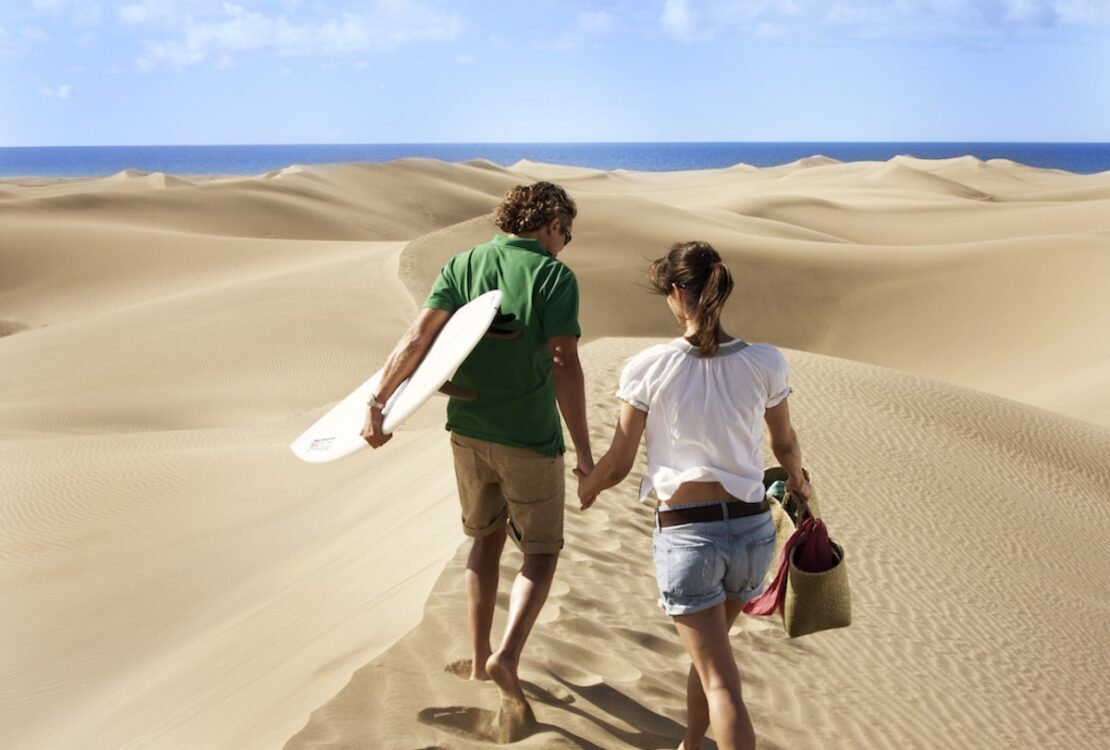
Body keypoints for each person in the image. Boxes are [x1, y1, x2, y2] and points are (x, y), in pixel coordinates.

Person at [361, 182, 592, 738]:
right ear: (551, 224)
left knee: (483, 540)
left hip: (467, 433)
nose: (566, 243)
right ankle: (506, 656)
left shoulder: (463, 263)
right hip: (530, 439)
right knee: (539, 552)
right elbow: (564, 363)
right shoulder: (554, 277)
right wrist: (585, 451)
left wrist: (378, 402)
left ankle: (480, 649)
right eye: (567, 232)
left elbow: (417, 338)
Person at [576, 241, 812, 750]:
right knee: (712, 660)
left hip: (690, 536)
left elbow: (617, 463)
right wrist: (798, 479)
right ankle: (689, 742)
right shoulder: (765, 362)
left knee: (722, 682)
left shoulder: (648, 366)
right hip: (751, 532)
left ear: (676, 294)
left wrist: (585, 487)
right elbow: (785, 442)